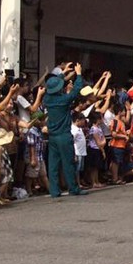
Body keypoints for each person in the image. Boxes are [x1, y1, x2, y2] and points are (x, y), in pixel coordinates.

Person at [44, 64, 87, 198]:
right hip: (64, 135)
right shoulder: (63, 99)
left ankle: (55, 191)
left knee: (53, 165)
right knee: (68, 163)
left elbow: (53, 85)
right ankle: (73, 188)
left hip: (52, 136)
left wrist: (63, 73)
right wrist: (78, 74)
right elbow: (77, 90)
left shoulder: (47, 99)